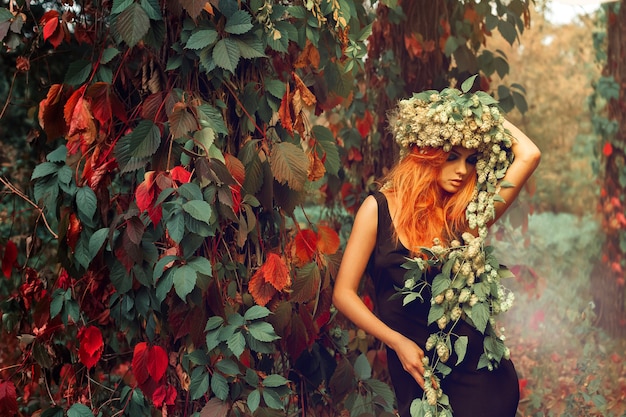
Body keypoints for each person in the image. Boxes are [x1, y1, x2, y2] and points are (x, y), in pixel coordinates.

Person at [332, 88, 541, 417]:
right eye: (452, 155)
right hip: (417, 373)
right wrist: (396, 342)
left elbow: (528, 154)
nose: (462, 170)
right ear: (424, 151)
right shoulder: (377, 209)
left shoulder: (465, 218)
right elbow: (343, 294)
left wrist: (478, 113)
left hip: (482, 381)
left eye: (471, 159)